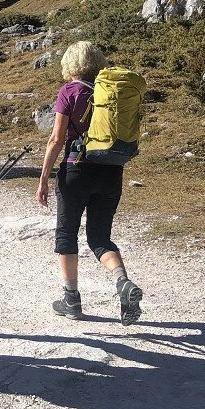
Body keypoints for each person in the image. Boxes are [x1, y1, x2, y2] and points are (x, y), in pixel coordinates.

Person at [35, 41, 142, 325]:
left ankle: (71, 299)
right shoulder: (110, 92)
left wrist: (44, 176)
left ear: (71, 65)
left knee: (66, 234)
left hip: (76, 171)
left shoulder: (69, 91)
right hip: (110, 171)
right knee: (99, 237)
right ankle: (123, 282)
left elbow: (57, 138)